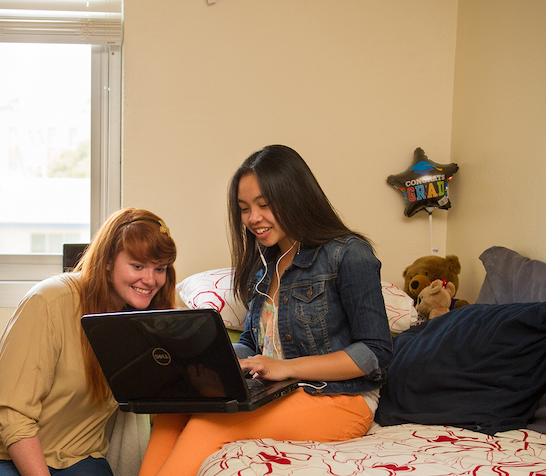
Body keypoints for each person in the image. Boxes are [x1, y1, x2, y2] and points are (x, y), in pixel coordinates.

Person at [139, 145, 393, 476]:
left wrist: (286, 367)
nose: (252, 218)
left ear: (296, 196)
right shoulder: (265, 265)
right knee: (175, 407)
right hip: (280, 392)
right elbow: (252, 340)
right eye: (244, 209)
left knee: (207, 424)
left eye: (265, 204)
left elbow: (375, 352)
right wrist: (210, 360)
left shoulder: (348, 254)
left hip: (342, 400)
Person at [0, 208, 178, 476]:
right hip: (1, 457)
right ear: (107, 261)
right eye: (137, 266)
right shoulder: (48, 301)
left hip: (78, 457)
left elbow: (182, 368)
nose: (150, 280)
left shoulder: (144, 319)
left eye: (160, 269)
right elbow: (13, 415)